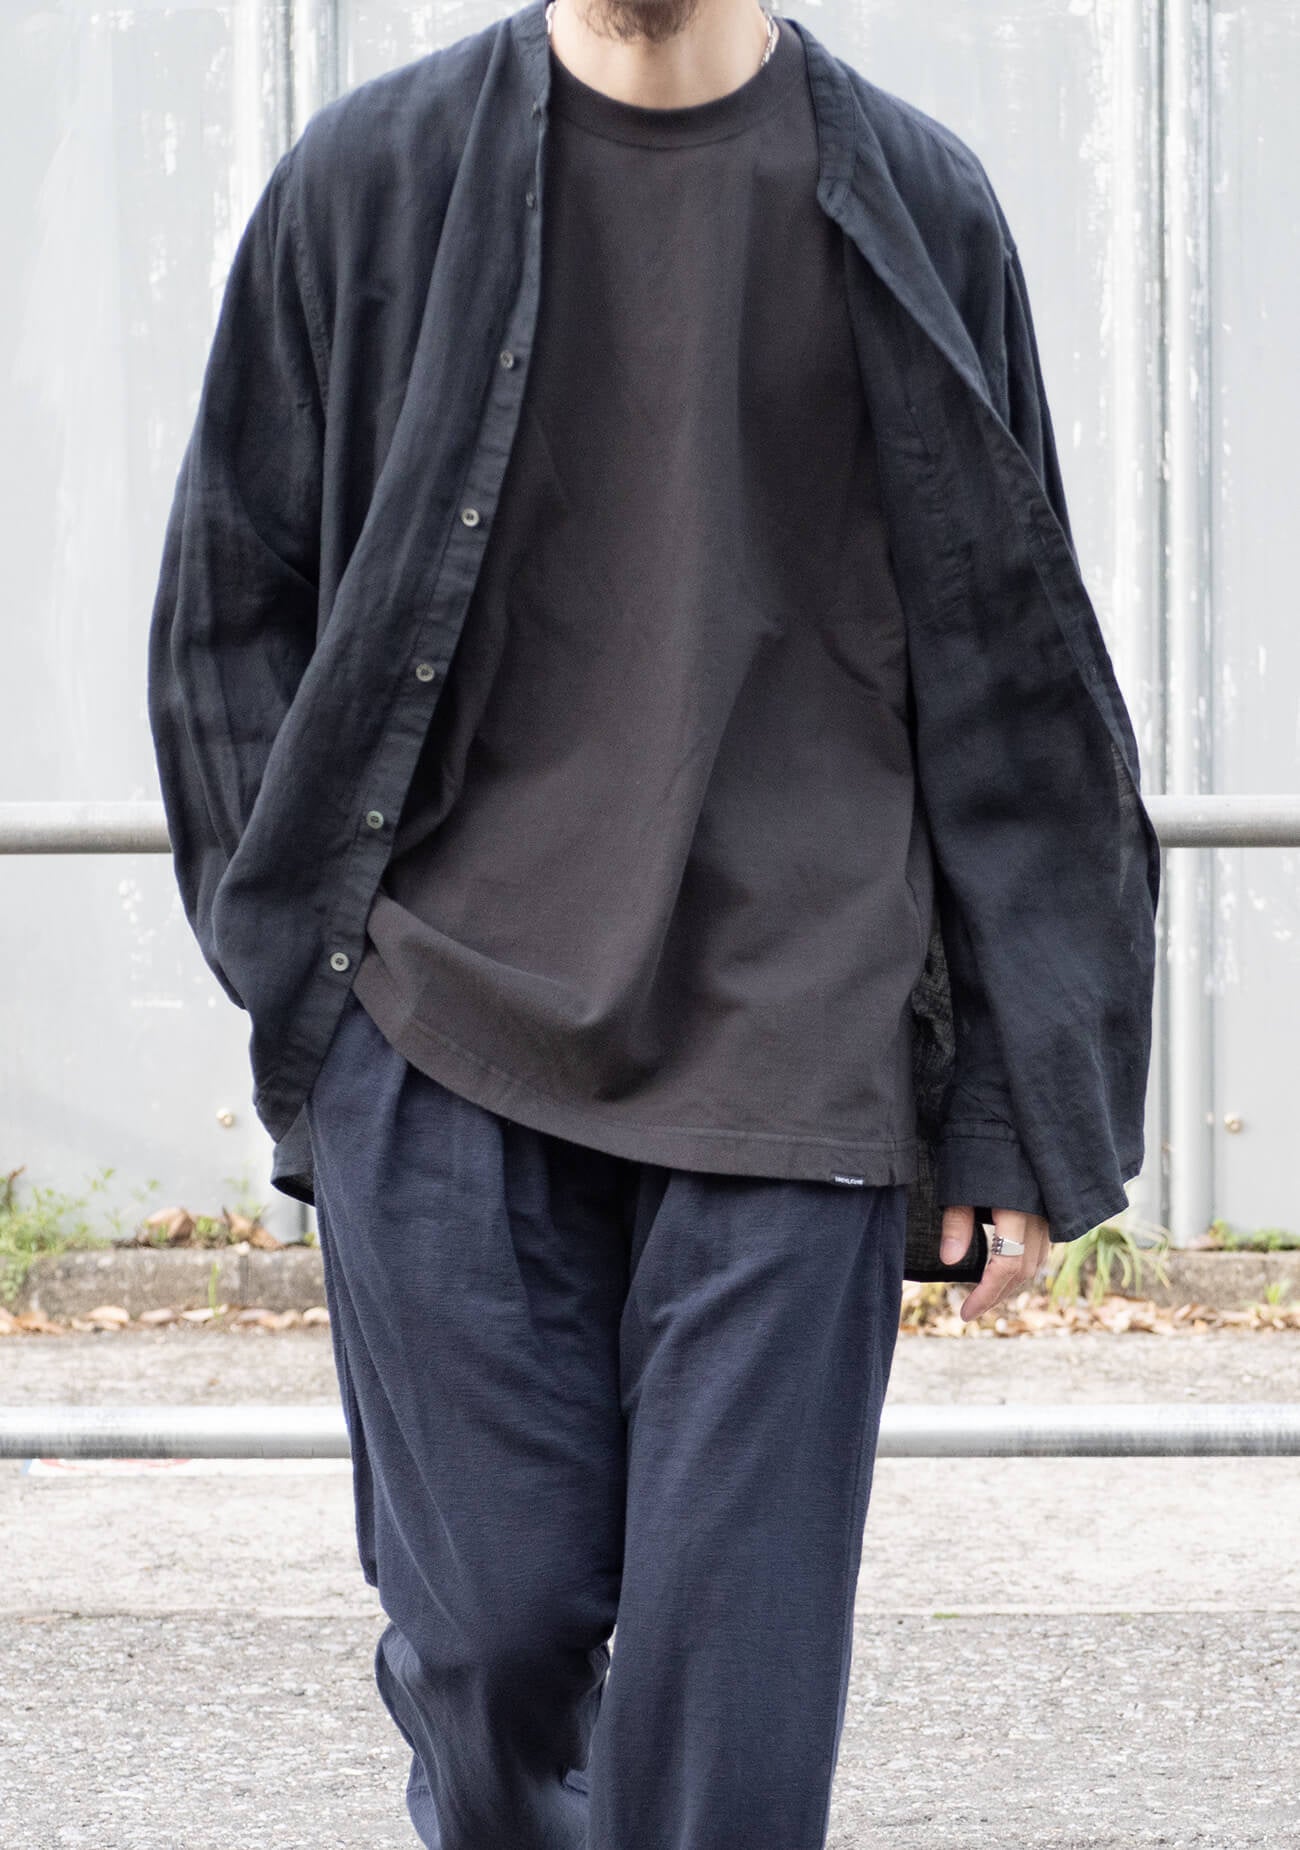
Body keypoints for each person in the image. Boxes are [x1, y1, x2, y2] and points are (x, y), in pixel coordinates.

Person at [146, 0, 1160, 1843]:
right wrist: (313, 990)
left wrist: (1018, 1098)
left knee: (732, 1731)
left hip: (801, 1046)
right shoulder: (367, 187)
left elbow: (1019, 669)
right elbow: (230, 601)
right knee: (490, 1639)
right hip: (437, 1037)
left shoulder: (919, 203)